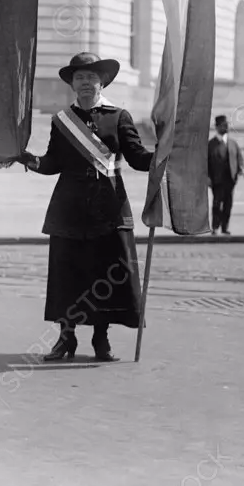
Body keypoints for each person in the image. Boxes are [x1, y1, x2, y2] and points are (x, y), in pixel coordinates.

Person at [18, 52, 153, 363]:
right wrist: (28, 159)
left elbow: (137, 158)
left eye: (91, 77)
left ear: (102, 82)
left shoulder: (120, 117)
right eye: (79, 77)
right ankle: (66, 338)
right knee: (68, 275)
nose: (86, 82)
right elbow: (53, 163)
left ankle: (100, 339)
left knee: (104, 275)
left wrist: (162, 157)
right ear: (72, 84)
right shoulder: (61, 121)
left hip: (109, 206)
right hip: (69, 208)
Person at [207, 115, 244, 234]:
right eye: (223, 125)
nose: (226, 127)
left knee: (228, 205)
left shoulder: (233, 143)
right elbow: (204, 162)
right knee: (217, 204)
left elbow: (239, 157)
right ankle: (215, 227)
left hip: (230, 179)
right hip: (216, 180)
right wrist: (207, 177)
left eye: (227, 125)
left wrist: (241, 167)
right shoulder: (210, 145)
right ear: (217, 127)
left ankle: (225, 227)